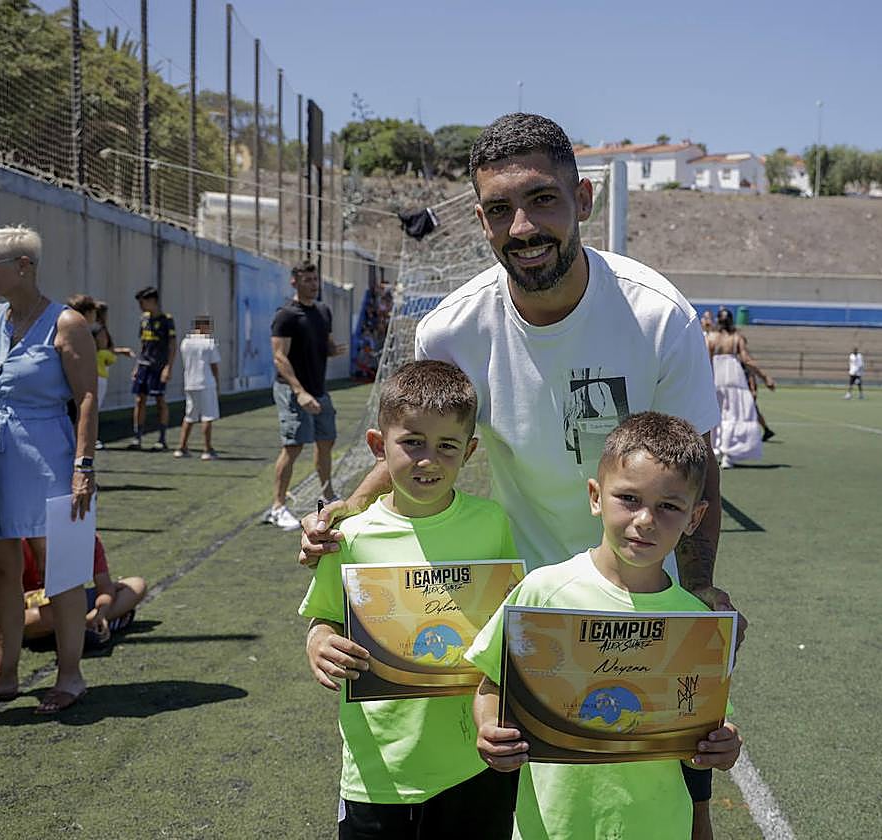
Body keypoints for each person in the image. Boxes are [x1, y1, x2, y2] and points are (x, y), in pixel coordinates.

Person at [303, 113, 742, 837]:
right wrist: (342, 514)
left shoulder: (658, 315)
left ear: (584, 199)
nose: (523, 226)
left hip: (639, 604)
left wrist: (692, 597)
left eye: (542, 199)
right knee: (519, 808)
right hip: (523, 609)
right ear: (480, 219)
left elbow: (696, 465)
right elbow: (417, 444)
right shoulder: (450, 329)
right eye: (500, 209)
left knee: (645, 803)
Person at [467, 413, 742, 840]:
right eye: (629, 499)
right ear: (596, 496)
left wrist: (723, 745)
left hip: (655, 826)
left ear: (694, 516)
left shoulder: (696, 621)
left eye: (669, 506)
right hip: (552, 827)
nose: (646, 520)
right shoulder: (543, 592)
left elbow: (706, 727)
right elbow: (491, 684)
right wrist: (488, 728)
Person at [299, 360, 518, 839]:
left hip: (471, 759)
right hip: (378, 768)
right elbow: (325, 617)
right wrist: (318, 642)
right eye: (412, 442)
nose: (428, 460)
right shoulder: (352, 536)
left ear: (469, 451)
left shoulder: (491, 524)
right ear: (379, 446)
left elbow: (508, 625)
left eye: (446, 446)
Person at [0, 225, 97, 714]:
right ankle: (3, 675)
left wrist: (84, 466)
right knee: (1, 572)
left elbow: (87, 395)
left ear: (24, 265)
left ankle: (71, 675)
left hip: (49, 454)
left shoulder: (67, 322)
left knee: (63, 571)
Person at [265, 262, 344, 530]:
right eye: (307, 279)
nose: (313, 284)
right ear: (294, 282)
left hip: (319, 390)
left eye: (315, 279)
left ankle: (327, 494)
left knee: (326, 440)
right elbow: (279, 357)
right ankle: (277, 507)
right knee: (293, 446)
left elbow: (325, 344)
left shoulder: (323, 311)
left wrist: (334, 350)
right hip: (292, 390)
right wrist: (299, 392)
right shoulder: (286, 315)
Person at [20, 535, 145, 649]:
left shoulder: (86, 538)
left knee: (137, 585)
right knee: (36, 616)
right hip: (35, 609)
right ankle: (85, 628)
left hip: (74, 603)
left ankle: (86, 625)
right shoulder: (21, 543)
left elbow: (105, 587)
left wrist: (100, 613)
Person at [706, 308, 775, 469]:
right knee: (734, 416)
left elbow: (706, 361)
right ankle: (728, 455)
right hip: (734, 379)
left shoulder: (711, 338)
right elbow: (747, 360)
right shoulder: (736, 338)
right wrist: (764, 377)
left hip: (716, 379)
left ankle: (715, 451)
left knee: (716, 416)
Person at [130, 286, 176, 451]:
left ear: (153, 301)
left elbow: (172, 345)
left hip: (158, 366)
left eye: (143, 302)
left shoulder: (166, 320)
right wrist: (136, 366)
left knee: (159, 400)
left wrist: (168, 367)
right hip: (144, 366)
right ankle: (137, 438)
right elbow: (143, 344)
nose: (141, 306)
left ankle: (162, 439)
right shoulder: (143, 319)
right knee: (139, 400)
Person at [175, 315, 221, 460]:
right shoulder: (209, 343)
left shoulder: (185, 342)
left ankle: (181, 447)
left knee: (189, 415)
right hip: (206, 383)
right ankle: (207, 449)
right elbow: (214, 366)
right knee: (208, 416)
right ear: (203, 327)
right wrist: (217, 382)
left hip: (189, 382)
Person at [92, 300, 132, 448]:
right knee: (94, 408)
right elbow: (104, 351)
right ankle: (92, 438)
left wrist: (120, 352)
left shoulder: (94, 328)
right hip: (98, 373)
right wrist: (112, 356)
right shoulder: (99, 329)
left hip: (97, 371)